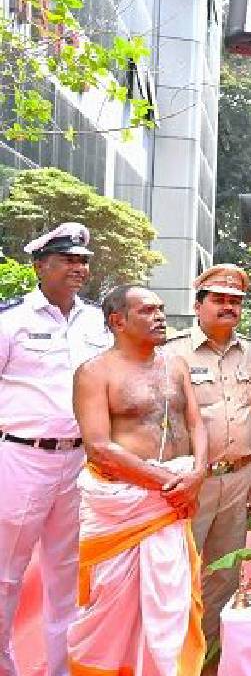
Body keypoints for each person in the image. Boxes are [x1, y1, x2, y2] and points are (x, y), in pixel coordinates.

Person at [68, 285, 208, 675]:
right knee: (113, 606)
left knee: (172, 599)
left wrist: (197, 473)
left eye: (161, 309)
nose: (160, 316)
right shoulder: (94, 372)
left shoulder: (175, 365)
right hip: (125, 504)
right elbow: (98, 447)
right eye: (147, 310)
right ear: (118, 321)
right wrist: (169, 483)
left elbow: (195, 422)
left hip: (173, 498)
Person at [0, 224, 110, 676]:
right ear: (40, 266)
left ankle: (61, 669)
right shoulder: (11, 321)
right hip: (22, 457)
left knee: (68, 574)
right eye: (67, 260)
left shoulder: (97, 321)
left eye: (82, 261)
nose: (78, 268)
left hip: (80, 461)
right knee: (6, 573)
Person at [165, 264, 251, 647]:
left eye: (235, 301)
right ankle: (175, 655)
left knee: (225, 573)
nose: (229, 307)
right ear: (198, 304)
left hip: (239, 477)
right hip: (191, 482)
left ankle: (209, 655)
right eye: (219, 299)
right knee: (180, 569)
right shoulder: (173, 354)